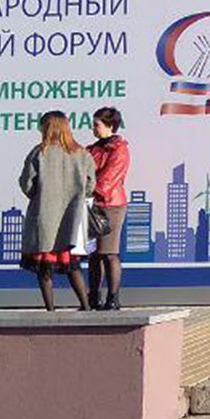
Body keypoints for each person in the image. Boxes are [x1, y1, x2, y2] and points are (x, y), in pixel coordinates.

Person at [19, 111, 96, 312]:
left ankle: (50, 310)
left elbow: (27, 184)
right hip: (73, 218)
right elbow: (90, 186)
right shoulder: (82, 154)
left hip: (45, 216)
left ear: (46, 128)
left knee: (44, 268)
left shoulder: (39, 153)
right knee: (73, 267)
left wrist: (39, 195)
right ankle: (86, 306)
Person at [85, 108, 130, 311]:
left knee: (109, 253)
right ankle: (94, 297)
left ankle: (113, 297)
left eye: (97, 125)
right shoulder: (93, 149)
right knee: (94, 255)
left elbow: (109, 178)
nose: (93, 129)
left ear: (110, 126)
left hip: (111, 205)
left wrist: (89, 189)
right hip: (93, 205)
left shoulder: (119, 149)